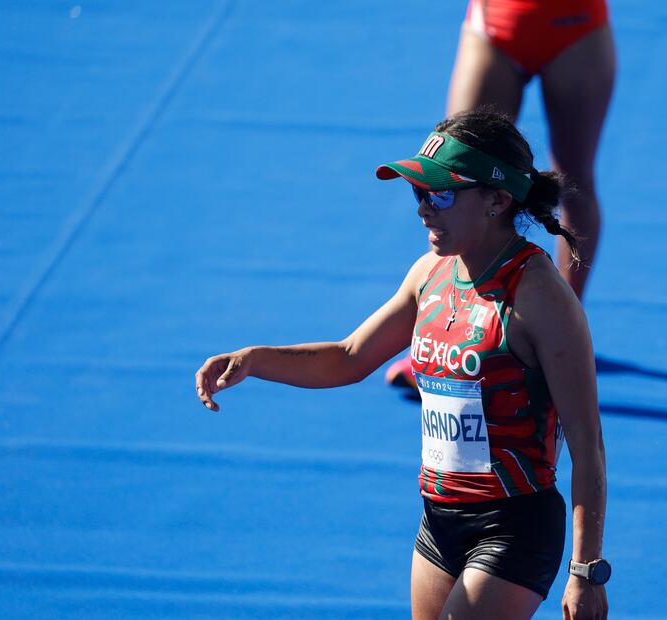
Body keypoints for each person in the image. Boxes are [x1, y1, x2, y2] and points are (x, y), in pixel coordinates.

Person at [195, 110, 609, 619]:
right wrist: (254, 359)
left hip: (515, 524)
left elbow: (587, 443)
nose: (423, 209)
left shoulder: (540, 296)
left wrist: (585, 569)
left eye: (441, 195)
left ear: (497, 200)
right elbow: (349, 358)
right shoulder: (428, 274)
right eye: (418, 193)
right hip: (439, 519)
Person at [386, 0, 616, 390]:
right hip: (495, 24)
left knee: (573, 182)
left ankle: (561, 335)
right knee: (452, 170)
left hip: (575, 27)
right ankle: (446, 335)